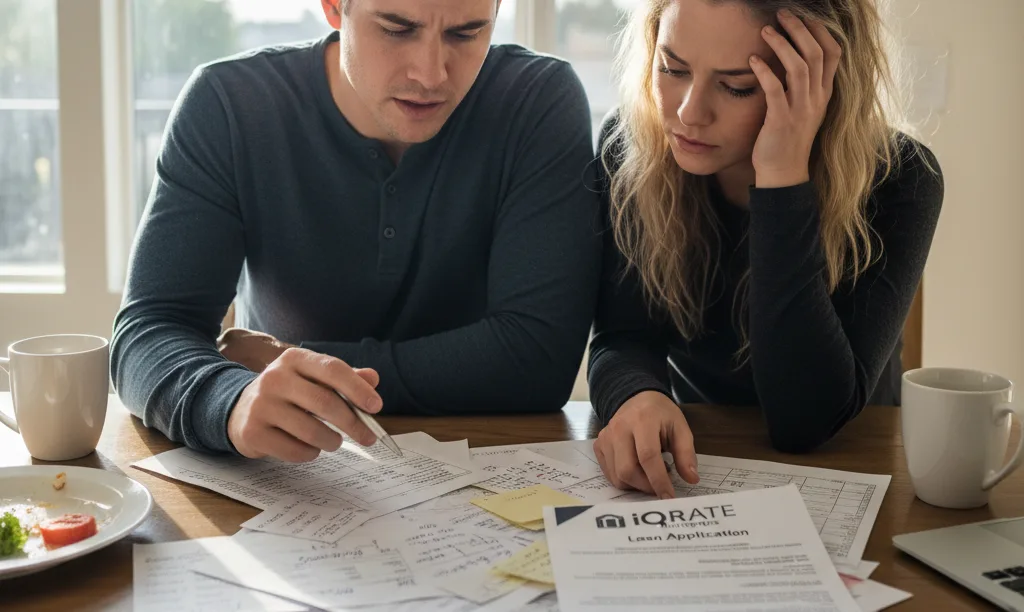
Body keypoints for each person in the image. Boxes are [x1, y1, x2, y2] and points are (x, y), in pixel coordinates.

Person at [111, 0, 602, 463]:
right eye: (396, 28)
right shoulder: (231, 105)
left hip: (492, 470)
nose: (430, 74)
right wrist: (231, 397)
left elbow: (538, 360)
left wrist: (288, 365)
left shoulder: (536, 99)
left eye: (466, 32)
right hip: (288, 471)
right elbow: (147, 332)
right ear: (332, 6)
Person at [588, 0, 944, 498]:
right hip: (701, 464)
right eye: (672, 67)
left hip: (854, 467)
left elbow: (807, 421)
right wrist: (638, 395)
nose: (689, 112)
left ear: (819, 82)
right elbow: (622, 335)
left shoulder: (900, 179)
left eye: (737, 86)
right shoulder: (631, 151)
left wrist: (781, 177)